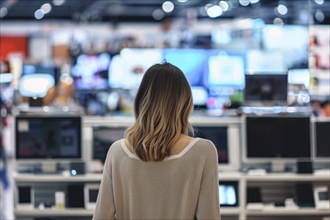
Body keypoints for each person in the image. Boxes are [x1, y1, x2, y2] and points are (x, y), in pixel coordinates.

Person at [93, 62, 220, 219]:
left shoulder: (117, 151)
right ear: (186, 103)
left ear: (140, 101)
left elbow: (101, 217)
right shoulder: (203, 151)